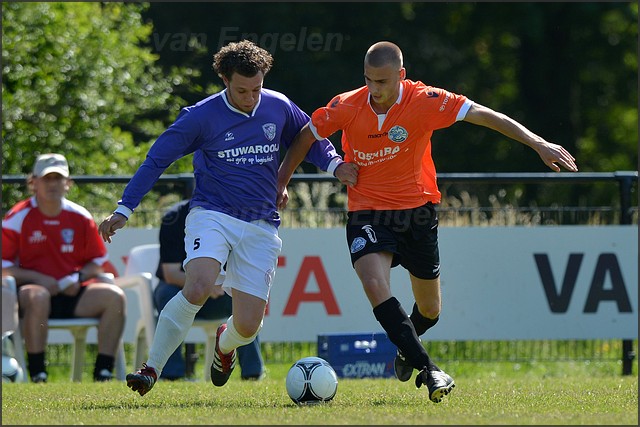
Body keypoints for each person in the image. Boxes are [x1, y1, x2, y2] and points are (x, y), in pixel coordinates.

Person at [276, 41, 578, 403]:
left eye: (383, 82)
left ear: (401, 76)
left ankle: (408, 347)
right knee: (374, 282)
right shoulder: (347, 105)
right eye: (369, 80)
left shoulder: (426, 100)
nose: (375, 89)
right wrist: (282, 182)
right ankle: (429, 368)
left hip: (418, 213)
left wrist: (537, 142)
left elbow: (483, 113)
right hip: (367, 211)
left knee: (431, 310)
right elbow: (306, 136)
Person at [97, 40, 355, 396]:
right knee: (199, 285)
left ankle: (225, 343)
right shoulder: (200, 116)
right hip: (212, 214)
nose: (251, 97)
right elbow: (156, 159)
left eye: (257, 89)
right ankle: (151, 368)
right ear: (223, 79)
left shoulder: (278, 105)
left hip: (261, 223)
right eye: (241, 90)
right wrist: (125, 209)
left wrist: (335, 165)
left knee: (248, 326)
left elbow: (308, 138)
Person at [1, 153, 126, 383]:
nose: (52, 184)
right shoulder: (17, 217)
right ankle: (38, 374)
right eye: (47, 179)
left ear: (68, 184)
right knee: (37, 295)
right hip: (31, 298)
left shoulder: (80, 216)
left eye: (58, 178)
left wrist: (76, 278)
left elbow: (97, 262)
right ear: (33, 183)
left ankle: (103, 373)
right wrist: (39, 279)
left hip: (73, 293)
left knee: (114, 297)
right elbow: (4, 269)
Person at [154, 198, 265, 381]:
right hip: (182, 290)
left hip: (219, 293)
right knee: (165, 294)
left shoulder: (234, 216)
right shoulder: (173, 218)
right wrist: (203, 284)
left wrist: (215, 284)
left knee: (244, 299)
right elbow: (171, 273)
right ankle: (171, 374)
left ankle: (252, 373)